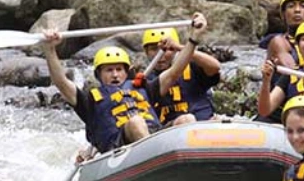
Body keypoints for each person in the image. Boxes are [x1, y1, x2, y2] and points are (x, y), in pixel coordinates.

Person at [42, 14, 208, 154]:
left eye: (119, 69)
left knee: (187, 118)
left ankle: (191, 165)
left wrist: (194, 39)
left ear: (126, 71)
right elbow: (61, 81)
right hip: (120, 148)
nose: (115, 74)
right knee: (136, 122)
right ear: (99, 74)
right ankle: (153, 161)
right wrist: (50, 49)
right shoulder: (89, 99)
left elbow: (175, 71)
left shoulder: (145, 88)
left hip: (155, 138)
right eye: (109, 70)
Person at [140, 26, 220, 125]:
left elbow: (215, 67)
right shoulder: (145, 80)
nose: (160, 55)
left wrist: (181, 48)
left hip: (204, 124)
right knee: (186, 119)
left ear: (174, 50)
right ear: (146, 52)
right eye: (153, 49)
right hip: (171, 132)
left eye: (167, 49)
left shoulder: (192, 67)